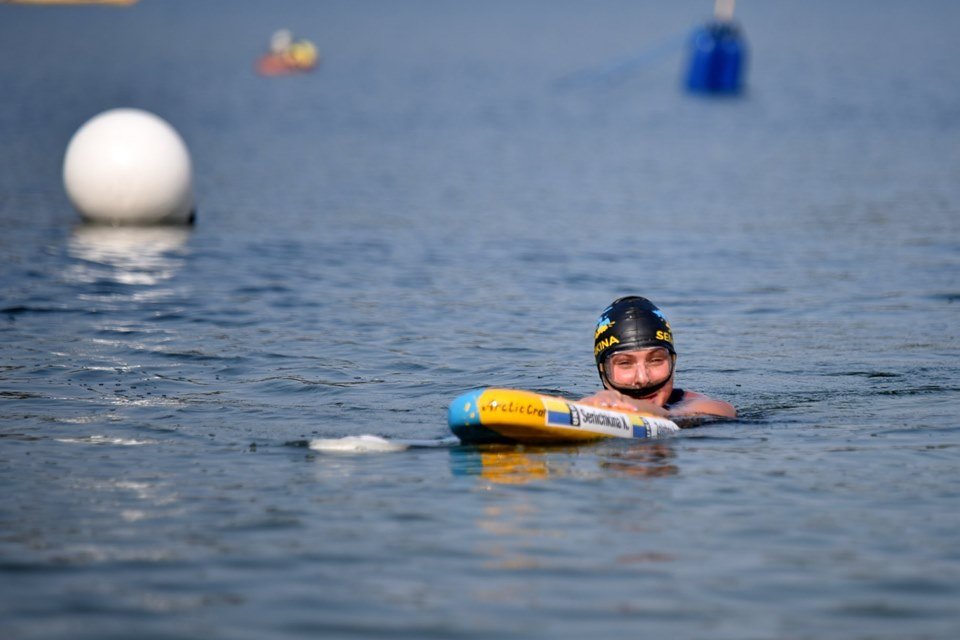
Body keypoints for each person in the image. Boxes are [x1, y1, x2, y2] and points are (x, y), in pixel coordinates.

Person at [580, 296, 736, 423]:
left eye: (655, 360)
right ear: (603, 370)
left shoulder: (702, 405)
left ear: (672, 362)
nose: (643, 379)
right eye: (625, 363)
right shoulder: (594, 403)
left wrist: (620, 403)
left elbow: (723, 411)